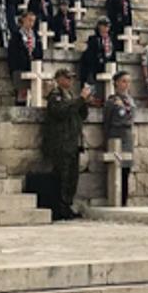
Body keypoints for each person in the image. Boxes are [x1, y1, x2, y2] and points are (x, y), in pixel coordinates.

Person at [42, 68, 96, 220]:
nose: (70, 81)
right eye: (67, 78)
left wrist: (84, 102)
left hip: (73, 141)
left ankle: (67, 205)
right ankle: (60, 208)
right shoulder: (55, 96)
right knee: (62, 176)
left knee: (72, 177)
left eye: (71, 79)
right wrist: (80, 100)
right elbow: (61, 112)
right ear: (59, 79)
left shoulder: (71, 95)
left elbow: (82, 115)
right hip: (61, 142)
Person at [102, 71, 136, 204]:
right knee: (116, 171)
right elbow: (107, 121)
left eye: (128, 81)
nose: (126, 84)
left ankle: (124, 200)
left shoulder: (129, 100)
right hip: (116, 136)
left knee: (126, 170)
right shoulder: (112, 101)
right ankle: (115, 199)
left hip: (127, 137)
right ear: (116, 83)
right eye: (123, 81)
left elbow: (131, 117)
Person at [6, 10, 43, 106]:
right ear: (23, 20)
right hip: (20, 68)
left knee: (34, 93)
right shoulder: (16, 35)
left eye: (33, 21)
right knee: (22, 93)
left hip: (33, 67)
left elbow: (39, 52)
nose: (31, 23)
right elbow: (13, 53)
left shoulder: (36, 36)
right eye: (29, 20)